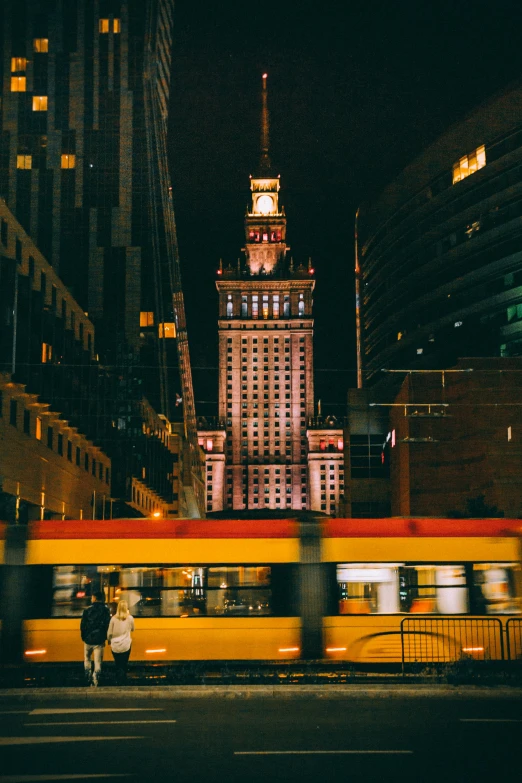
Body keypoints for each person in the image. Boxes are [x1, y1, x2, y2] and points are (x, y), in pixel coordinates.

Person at [80, 590, 110, 687]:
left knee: (87, 659)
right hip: (99, 640)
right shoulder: (106, 610)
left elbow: (82, 625)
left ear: (95, 598)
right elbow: (107, 625)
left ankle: (87, 677)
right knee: (98, 661)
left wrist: (84, 637)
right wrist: (104, 638)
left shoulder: (87, 610)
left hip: (88, 640)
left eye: (92, 597)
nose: (91, 599)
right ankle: (95, 680)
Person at [107, 600, 135, 684]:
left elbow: (109, 633)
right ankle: (123, 679)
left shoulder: (113, 619)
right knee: (124, 663)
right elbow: (133, 629)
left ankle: (118, 679)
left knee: (118, 663)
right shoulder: (130, 618)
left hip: (115, 646)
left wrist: (109, 640)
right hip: (126, 645)